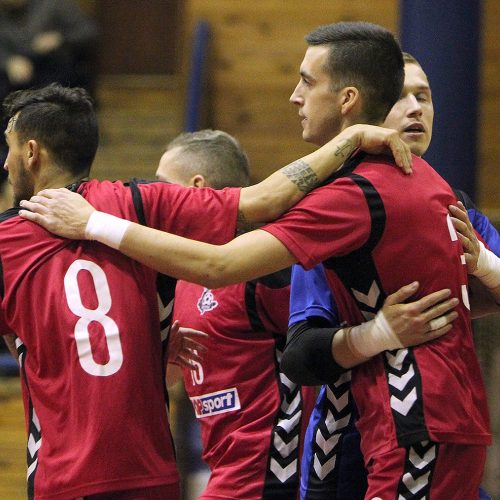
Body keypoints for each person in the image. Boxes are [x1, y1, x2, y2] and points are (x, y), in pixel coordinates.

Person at [20, 21, 499, 499]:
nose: (294, 96)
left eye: (307, 82)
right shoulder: (423, 180)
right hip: (418, 421)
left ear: (347, 99)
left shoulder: (356, 195)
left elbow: (222, 266)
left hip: (408, 421)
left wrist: (93, 225)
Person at [1, 82, 416, 499]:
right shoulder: (140, 202)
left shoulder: (7, 239)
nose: (6, 164)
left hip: (66, 477)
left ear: (32, 152)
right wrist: (351, 137)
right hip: (153, 474)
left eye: (9, 148)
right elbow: (267, 199)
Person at [293, 51, 500, 500]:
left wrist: (483, 264)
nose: (415, 108)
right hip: (349, 442)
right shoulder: (337, 206)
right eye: (399, 96)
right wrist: (379, 332)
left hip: (439, 432)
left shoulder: (456, 206)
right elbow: (302, 355)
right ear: (362, 109)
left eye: (423, 96)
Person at [157, 128, 318, 500]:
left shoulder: (263, 264)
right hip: (225, 468)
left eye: (162, 185)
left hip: (274, 474)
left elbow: (326, 343)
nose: (152, 197)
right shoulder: (183, 274)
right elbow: (172, 377)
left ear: (196, 188)